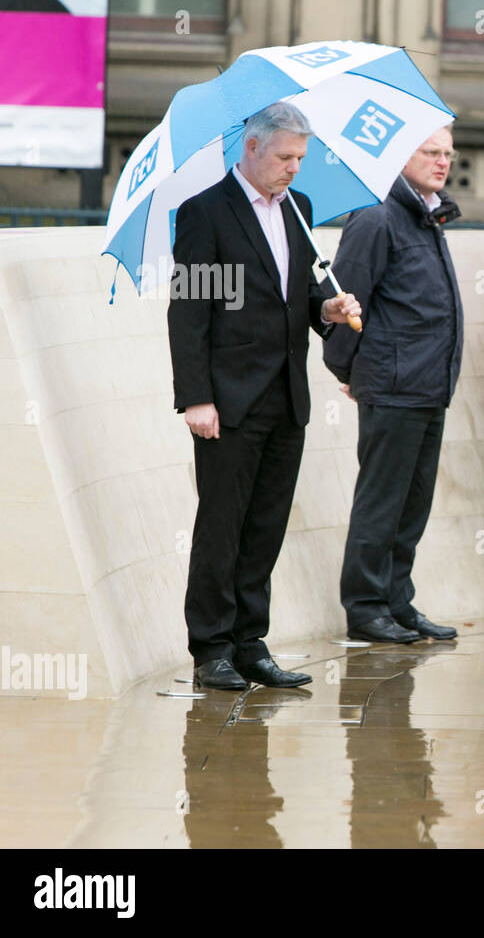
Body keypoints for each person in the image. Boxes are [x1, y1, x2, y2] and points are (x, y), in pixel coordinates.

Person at [168, 101, 361, 690]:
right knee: (222, 526)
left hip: (286, 397)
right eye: (284, 157)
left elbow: (296, 300)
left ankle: (251, 642)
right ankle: (212, 649)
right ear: (250, 149)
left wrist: (325, 310)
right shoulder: (206, 213)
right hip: (227, 401)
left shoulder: (298, 211)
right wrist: (195, 397)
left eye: (300, 158)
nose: (293, 169)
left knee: (266, 525)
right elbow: (189, 310)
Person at [327, 127, 464, 644]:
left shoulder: (427, 217)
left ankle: (396, 602)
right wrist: (349, 372)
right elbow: (344, 300)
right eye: (431, 151)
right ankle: (364, 607)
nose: (443, 161)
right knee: (382, 502)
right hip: (393, 385)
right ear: (398, 156)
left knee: (413, 503)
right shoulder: (377, 216)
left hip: (429, 385)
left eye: (448, 153)